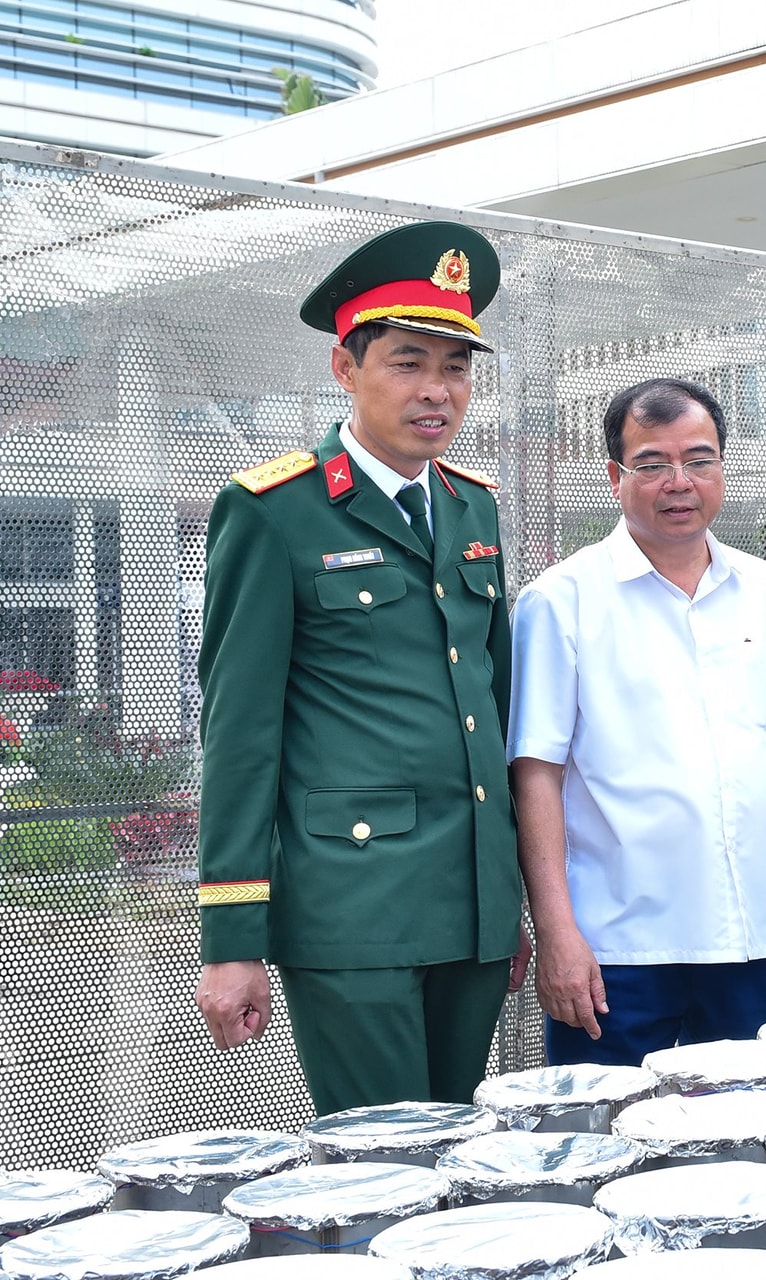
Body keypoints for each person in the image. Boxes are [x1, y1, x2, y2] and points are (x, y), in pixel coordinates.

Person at [194, 221, 527, 1113]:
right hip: (354, 907)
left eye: (456, 368)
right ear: (347, 369)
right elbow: (239, 734)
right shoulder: (275, 512)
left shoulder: (472, 509)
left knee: (454, 1147)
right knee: (378, 1165)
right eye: (408, 362)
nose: (437, 391)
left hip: (473, 912)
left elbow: (493, 712)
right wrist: (232, 935)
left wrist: (510, 901)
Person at [509, 378, 766, 1063]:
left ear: (723, 467)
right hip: (617, 951)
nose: (679, 482)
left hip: (759, 937)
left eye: (699, 459)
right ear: (615, 476)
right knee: (610, 1147)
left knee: (756, 1145)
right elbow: (535, 776)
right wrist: (556, 931)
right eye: (653, 464)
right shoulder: (560, 602)